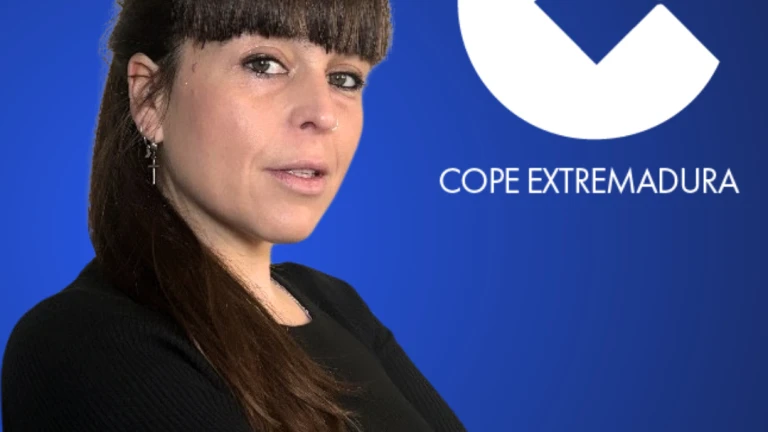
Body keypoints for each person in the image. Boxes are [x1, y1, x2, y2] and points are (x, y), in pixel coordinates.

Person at [0, 0, 466, 431]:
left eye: (344, 78)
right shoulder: (81, 343)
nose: (323, 114)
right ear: (150, 99)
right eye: (263, 64)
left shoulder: (336, 303)